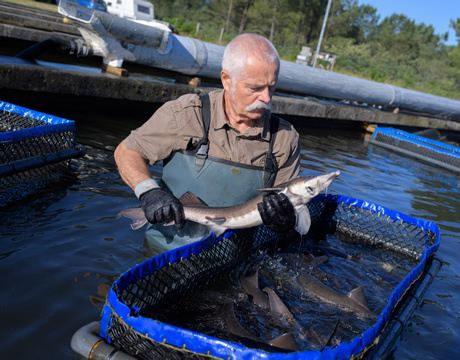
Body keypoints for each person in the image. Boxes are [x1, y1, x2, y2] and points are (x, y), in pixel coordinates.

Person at [114, 33, 301, 255]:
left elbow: (289, 208)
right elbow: (127, 151)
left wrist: (284, 220)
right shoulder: (186, 114)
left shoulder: (284, 137)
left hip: (233, 256)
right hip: (165, 251)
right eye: (255, 88)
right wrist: (148, 192)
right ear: (226, 79)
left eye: (272, 87)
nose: (267, 98)